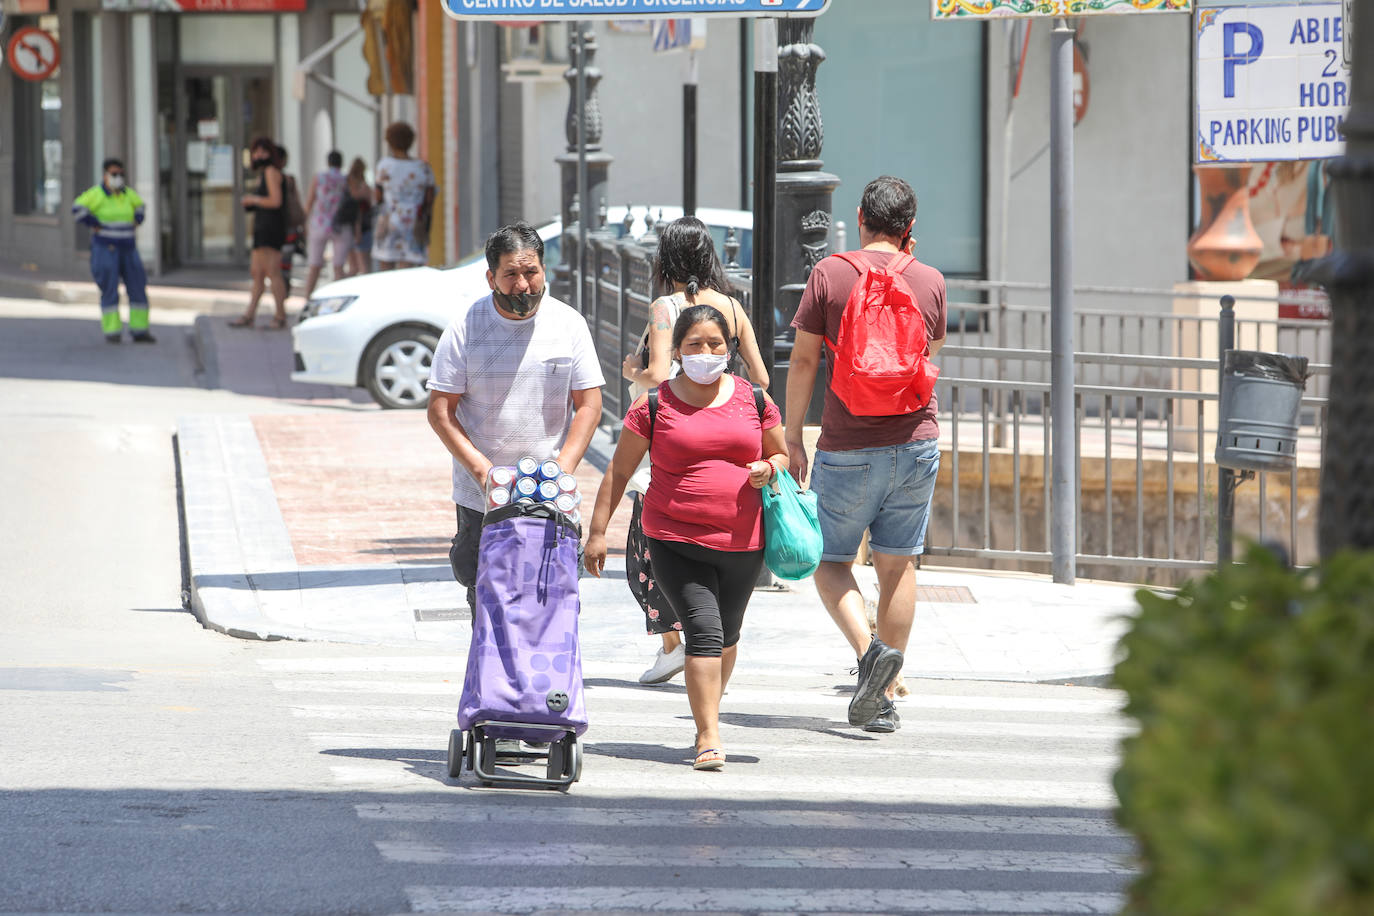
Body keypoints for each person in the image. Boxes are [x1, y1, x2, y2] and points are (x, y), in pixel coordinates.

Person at [586, 305, 788, 771]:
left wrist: (767, 466)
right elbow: (618, 471)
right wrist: (598, 533)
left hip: (743, 540)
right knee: (704, 630)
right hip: (674, 538)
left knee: (728, 635)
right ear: (677, 350)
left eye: (715, 344)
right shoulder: (655, 405)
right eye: (694, 344)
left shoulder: (754, 399)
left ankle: (709, 713)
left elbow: (782, 456)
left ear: (730, 350)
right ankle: (708, 736)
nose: (705, 352)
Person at [784, 175, 946, 735]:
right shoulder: (930, 280)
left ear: (859, 217)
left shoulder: (830, 274)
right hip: (917, 441)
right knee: (898, 566)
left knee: (830, 563)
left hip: (848, 443)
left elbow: (803, 362)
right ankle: (884, 694)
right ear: (910, 229)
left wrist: (792, 436)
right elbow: (929, 358)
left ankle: (870, 654)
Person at [620, 215, 772, 686]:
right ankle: (699, 653)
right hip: (730, 447)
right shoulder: (731, 304)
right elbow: (762, 380)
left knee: (647, 552)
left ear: (666, 258)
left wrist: (632, 371)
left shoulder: (665, 307)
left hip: (673, 439)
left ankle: (674, 646)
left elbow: (662, 375)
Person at [426, 222, 605, 617]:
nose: (523, 284)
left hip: (550, 493)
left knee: (550, 601)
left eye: (531, 272)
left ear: (544, 270)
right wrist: (483, 472)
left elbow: (590, 403)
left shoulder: (569, 324)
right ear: (491, 277)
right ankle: (494, 679)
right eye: (511, 274)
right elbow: (440, 410)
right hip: (482, 496)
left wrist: (563, 468)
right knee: (488, 602)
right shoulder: (465, 327)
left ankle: (546, 679)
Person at [72, 158, 155, 343]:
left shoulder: (127, 194)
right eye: (115, 174)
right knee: (109, 288)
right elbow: (77, 208)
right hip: (106, 248)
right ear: (106, 175)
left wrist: (138, 218)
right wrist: (94, 224)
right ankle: (112, 331)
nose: (118, 178)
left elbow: (140, 205)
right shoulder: (96, 194)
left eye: (121, 174)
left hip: (128, 247)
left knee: (137, 287)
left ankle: (140, 330)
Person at [230, 137, 289, 329]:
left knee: (273, 272)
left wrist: (253, 200)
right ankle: (250, 314)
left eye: (263, 151)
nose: (258, 155)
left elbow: (275, 201)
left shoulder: (271, 172)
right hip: (263, 228)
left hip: (271, 229)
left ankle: (280, 316)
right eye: (256, 151)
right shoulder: (264, 173)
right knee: (257, 273)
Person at [373, 121, 435, 270]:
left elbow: (378, 196)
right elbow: (429, 200)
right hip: (414, 222)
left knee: (385, 270)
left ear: (389, 141)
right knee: (408, 271)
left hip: (390, 221)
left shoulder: (384, 165)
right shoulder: (423, 167)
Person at [302, 150, 349, 298]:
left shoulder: (320, 177)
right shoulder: (345, 179)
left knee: (314, 266)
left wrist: (304, 223)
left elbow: (310, 201)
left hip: (319, 224)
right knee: (339, 267)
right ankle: (339, 299)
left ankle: (307, 298)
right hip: (340, 225)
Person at [333, 157, 372, 279]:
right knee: (361, 265)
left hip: (351, 226)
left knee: (355, 265)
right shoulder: (355, 185)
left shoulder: (349, 183)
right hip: (357, 226)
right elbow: (364, 202)